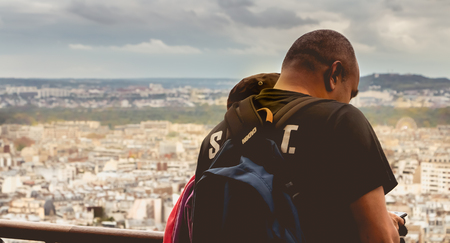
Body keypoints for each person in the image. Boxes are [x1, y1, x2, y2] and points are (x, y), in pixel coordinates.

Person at [194, 29, 404, 243]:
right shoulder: (340, 121)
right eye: (351, 92)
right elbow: (380, 238)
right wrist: (388, 228)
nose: (349, 101)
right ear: (334, 74)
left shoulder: (217, 137)